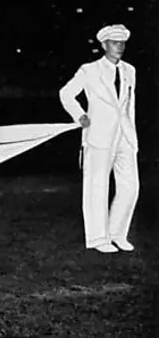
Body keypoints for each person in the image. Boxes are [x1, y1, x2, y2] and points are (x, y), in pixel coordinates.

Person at [59, 24, 139, 254]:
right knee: (97, 187)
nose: (120, 47)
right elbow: (66, 94)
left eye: (122, 43)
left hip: (125, 136)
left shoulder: (130, 70)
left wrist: (132, 136)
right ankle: (98, 238)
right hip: (98, 136)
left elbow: (128, 106)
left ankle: (117, 233)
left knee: (131, 187)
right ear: (104, 45)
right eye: (115, 43)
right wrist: (80, 114)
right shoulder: (89, 70)